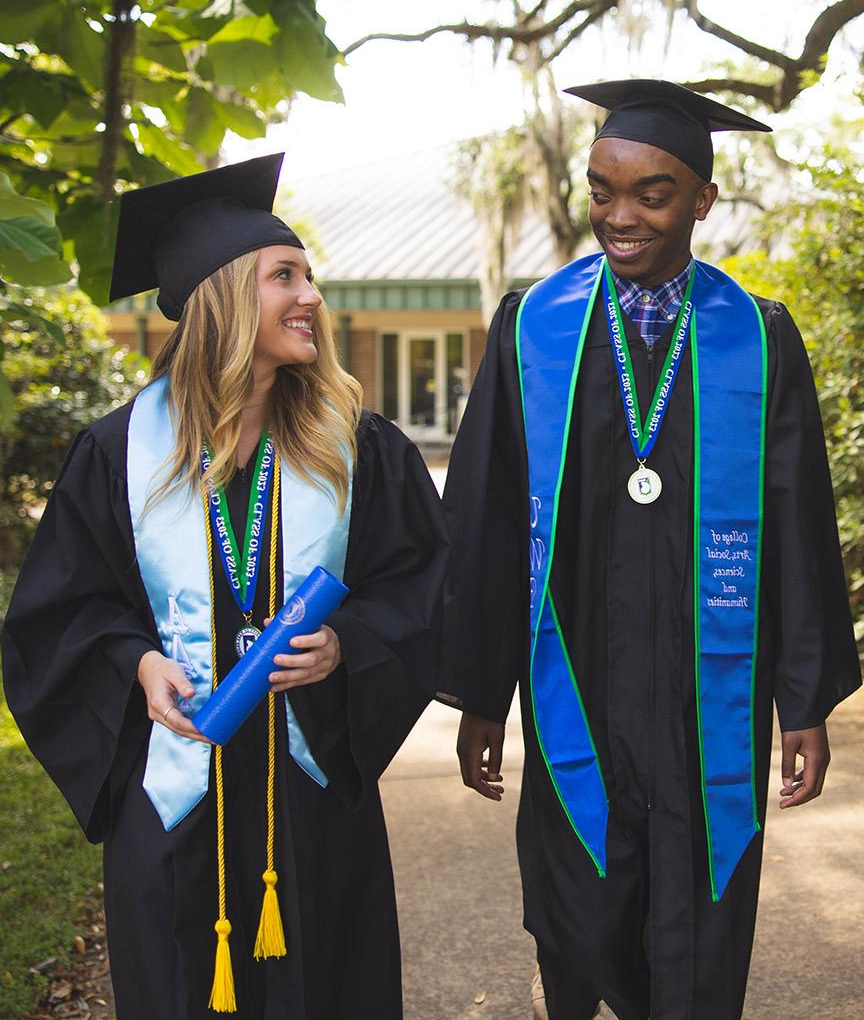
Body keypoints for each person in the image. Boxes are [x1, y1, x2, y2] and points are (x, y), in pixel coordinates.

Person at [438, 80, 861, 1020]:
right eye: (600, 191)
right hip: (573, 683)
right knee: (575, 921)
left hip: (704, 693)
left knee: (697, 925)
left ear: (703, 199)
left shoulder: (759, 337)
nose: (618, 217)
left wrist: (803, 696)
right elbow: (488, 520)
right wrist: (481, 693)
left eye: (650, 194)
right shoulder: (532, 330)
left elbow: (796, 520)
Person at [2, 153, 448, 1020]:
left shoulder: (356, 445)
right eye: (285, 277)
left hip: (310, 799)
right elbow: (60, 610)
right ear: (222, 302)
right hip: (173, 803)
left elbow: (425, 581)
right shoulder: (118, 453)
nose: (311, 297)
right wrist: (134, 662)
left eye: (310, 277)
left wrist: (349, 642)